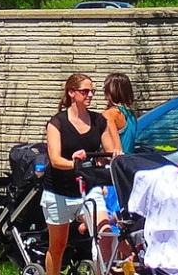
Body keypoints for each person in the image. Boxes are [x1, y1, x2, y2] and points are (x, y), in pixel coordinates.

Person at [43, 74, 122, 275]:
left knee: (105, 234)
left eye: (92, 91)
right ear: (71, 93)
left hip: (89, 188)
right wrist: (75, 163)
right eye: (85, 91)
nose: (90, 95)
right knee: (58, 246)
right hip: (59, 191)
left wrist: (112, 157)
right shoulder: (57, 123)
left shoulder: (98, 120)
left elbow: (109, 152)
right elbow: (55, 160)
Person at [102, 74, 139, 155]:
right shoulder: (132, 114)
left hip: (118, 161)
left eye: (105, 88)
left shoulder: (109, 114)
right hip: (130, 159)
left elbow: (114, 149)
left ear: (110, 91)